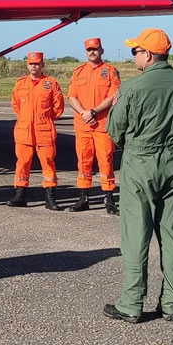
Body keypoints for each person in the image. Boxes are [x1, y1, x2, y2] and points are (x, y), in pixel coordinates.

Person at [102, 29, 173, 324]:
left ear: (148, 54)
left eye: (136, 52)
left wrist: (137, 144)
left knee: (135, 235)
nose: (134, 57)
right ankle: (172, 303)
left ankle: (132, 302)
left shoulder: (133, 88)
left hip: (141, 162)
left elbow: (114, 129)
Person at [66, 38, 121, 214]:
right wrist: (84, 113)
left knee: (106, 161)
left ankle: (109, 199)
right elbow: (72, 96)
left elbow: (113, 96)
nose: (92, 52)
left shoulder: (110, 71)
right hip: (83, 124)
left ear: (101, 51)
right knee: (83, 161)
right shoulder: (78, 72)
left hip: (102, 125)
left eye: (95, 49)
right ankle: (84, 198)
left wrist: (94, 112)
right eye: (89, 50)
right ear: (85, 52)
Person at [7, 52, 65, 210]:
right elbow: (15, 104)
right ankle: (20, 194)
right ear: (27, 65)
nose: (34, 66)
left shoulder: (51, 83)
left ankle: (50, 196)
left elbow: (58, 108)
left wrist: (43, 119)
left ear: (42, 65)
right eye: (31, 63)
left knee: (48, 163)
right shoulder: (20, 83)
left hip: (44, 130)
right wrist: (26, 118)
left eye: (37, 63)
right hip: (24, 130)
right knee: (22, 163)